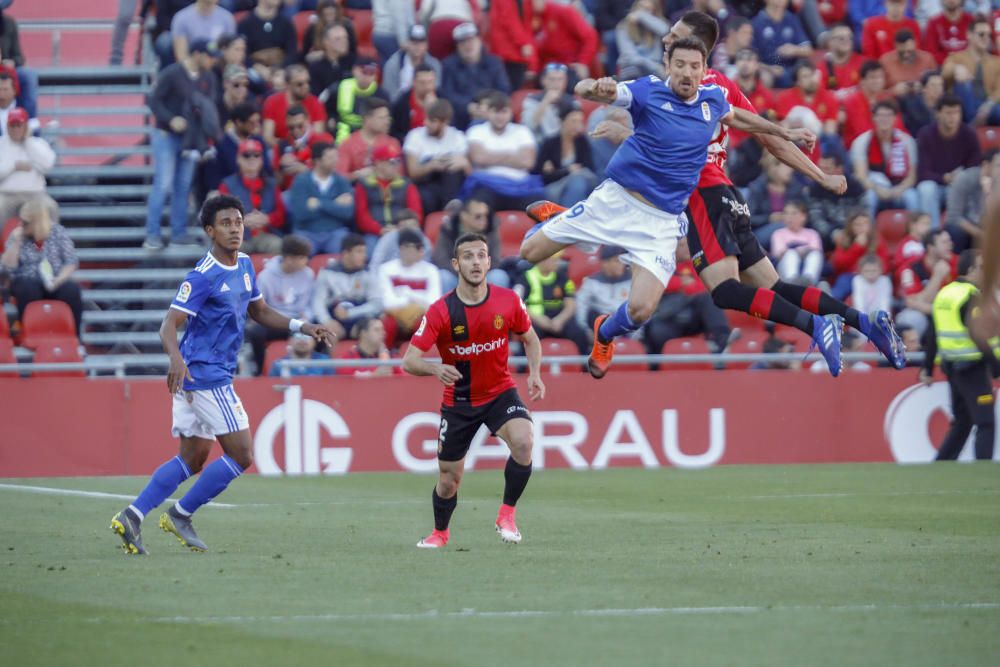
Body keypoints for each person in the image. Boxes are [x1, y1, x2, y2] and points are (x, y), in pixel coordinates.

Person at [526, 11, 906, 378]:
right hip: (723, 193)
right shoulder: (707, 88)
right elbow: (706, 137)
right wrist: (817, 172)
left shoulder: (708, 91)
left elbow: (698, 147)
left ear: (700, 53)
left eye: (675, 36)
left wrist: (815, 169)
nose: (667, 40)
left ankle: (817, 325)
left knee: (724, 290)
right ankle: (863, 322)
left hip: (701, 193)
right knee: (773, 287)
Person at [109, 195, 336, 555]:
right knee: (242, 454)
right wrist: (175, 359)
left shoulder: (245, 264)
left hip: (201, 375)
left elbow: (259, 311)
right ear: (210, 231)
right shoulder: (202, 276)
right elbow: (168, 325)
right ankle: (181, 514)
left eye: (238, 221)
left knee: (193, 458)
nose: (234, 228)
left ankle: (132, 516)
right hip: (203, 375)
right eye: (226, 223)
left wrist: (301, 326)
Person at [402, 232, 545, 549]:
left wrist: (534, 374)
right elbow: (409, 361)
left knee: (524, 441)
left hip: (499, 393)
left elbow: (530, 338)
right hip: (459, 402)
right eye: (468, 256)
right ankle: (440, 533)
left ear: (489, 261)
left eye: (481, 255)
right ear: (456, 264)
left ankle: (506, 514)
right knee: (449, 480)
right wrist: (435, 368)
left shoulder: (507, 300)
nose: (476, 262)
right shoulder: (441, 311)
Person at [920, 250, 998, 461]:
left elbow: (933, 335)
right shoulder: (971, 296)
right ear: (971, 270)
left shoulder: (945, 294)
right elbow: (978, 334)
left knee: (963, 421)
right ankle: (983, 471)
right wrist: (996, 366)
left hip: (952, 367)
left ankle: (941, 466)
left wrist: (927, 369)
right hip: (972, 368)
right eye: (982, 268)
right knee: (985, 422)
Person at [145, 39, 221, 250]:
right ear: (197, 54)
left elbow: (209, 106)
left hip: (191, 137)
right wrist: (170, 119)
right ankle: (152, 234)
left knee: (183, 185)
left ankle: (178, 232)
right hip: (166, 134)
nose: (212, 61)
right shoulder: (172, 73)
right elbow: (154, 100)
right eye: (209, 56)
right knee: (163, 184)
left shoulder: (209, 77)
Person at [0, 196, 82, 336]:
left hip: (54, 280)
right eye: (22, 221)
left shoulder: (58, 232)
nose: (22, 224)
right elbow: (7, 267)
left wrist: (58, 281)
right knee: (27, 287)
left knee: (72, 290)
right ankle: (25, 330)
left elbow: (71, 262)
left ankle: (75, 337)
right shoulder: (18, 235)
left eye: (26, 222)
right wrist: (16, 243)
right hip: (26, 279)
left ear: (37, 222)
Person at [246, 234, 315, 376]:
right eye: (302, 257)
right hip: (275, 321)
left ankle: (318, 371)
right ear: (289, 259)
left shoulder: (308, 274)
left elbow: (310, 303)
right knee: (256, 333)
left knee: (320, 332)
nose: (306, 261)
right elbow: (259, 308)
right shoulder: (266, 276)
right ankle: (260, 371)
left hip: (299, 320)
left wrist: (306, 316)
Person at [915, 95, 982, 230]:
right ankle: (933, 234)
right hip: (937, 186)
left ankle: (964, 235)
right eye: (948, 113)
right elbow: (922, 172)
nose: (953, 117)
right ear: (938, 114)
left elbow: (975, 167)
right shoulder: (926, 134)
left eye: (957, 112)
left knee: (978, 187)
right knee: (926, 188)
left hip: (960, 185)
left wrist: (961, 178)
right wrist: (944, 178)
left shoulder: (969, 134)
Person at [850, 100, 920, 218]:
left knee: (912, 197)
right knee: (868, 197)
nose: (884, 119)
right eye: (881, 116)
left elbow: (912, 176)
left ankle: (916, 233)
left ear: (895, 118)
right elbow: (861, 176)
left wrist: (899, 189)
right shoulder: (862, 142)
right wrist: (878, 190)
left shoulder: (907, 141)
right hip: (874, 187)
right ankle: (868, 233)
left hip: (900, 188)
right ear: (873, 118)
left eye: (888, 115)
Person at [218, 138, 285, 254]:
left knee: (281, 246)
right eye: (246, 155)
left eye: (256, 155)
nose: (252, 159)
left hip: (266, 235)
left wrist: (267, 219)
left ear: (261, 160)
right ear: (238, 159)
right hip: (238, 236)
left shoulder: (272, 185)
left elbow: (281, 215)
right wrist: (241, 221)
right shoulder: (227, 185)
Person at [403, 98, 470, 214]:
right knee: (427, 198)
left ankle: (451, 210)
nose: (426, 123)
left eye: (432, 121)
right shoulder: (414, 136)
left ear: (444, 122)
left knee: (452, 166)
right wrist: (432, 165)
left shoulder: (458, 137)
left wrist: (464, 164)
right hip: (426, 182)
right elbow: (412, 172)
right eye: (426, 119)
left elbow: (469, 174)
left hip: (451, 182)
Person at [515, 252, 591, 355]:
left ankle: (585, 367)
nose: (556, 263)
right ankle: (522, 369)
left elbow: (571, 304)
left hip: (559, 320)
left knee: (580, 334)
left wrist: (560, 319)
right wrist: (540, 320)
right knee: (526, 335)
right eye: (553, 260)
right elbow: (519, 304)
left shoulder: (563, 278)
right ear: (542, 260)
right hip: (536, 321)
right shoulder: (526, 277)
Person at [288, 142, 356, 255]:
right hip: (306, 232)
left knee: (347, 252)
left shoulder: (341, 181)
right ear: (317, 161)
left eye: (336, 157)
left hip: (335, 232)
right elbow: (300, 213)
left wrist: (319, 203)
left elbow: (347, 213)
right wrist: (334, 204)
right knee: (297, 253)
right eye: (330, 158)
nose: (335, 161)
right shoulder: (301, 181)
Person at [312, 233, 383, 340]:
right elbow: (318, 302)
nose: (364, 256)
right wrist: (327, 320)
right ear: (346, 254)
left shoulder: (368, 273)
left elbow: (377, 304)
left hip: (359, 315)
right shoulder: (327, 272)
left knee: (372, 329)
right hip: (334, 315)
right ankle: (330, 356)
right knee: (329, 331)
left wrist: (350, 313)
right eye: (359, 251)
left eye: (364, 251)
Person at [440, 23, 510, 130]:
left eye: (471, 40)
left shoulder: (494, 62)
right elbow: (447, 94)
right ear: (457, 46)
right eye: (463, 42)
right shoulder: (449, 65)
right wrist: (468, 107)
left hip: (492, 112)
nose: (468, 45)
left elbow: (504, 89)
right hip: (462, 117)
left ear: (479, 41)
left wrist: (488, 106)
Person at [353, 143, 424, 246]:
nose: (397, 166)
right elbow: (362, 215)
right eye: (392, 162)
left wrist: (400, 228)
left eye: (398, 161)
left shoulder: (406, 184)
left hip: (403, 231)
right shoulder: (364, 185)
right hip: (375, 234)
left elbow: (415, 212)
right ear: (379, 163)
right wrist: (380, 230)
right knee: (369, 251)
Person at [431, 197, 507, 292]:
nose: (484, 220)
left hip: (483, 276)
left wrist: (477, 274)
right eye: (478, 216)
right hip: (456, 275)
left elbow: (495, 259)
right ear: (464, 216)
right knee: (443, 277)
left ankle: (492, 307)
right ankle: (448, 307)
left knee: (499, 276)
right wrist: (463, 274)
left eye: (486, 215)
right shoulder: (449, 229)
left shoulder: (491, 228)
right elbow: (441, 258)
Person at [378, 228, 441, 341]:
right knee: (387, 324)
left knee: (426, 323)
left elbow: (434, 303)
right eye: (417, 248)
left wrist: (408, 294)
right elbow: (387, 303)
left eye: (422, 248)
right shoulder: (386, 269)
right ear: (403, 248)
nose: (421, 251)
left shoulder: (431, 270)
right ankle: (385, 356)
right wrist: (414, 304)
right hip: (396, 316)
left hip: (420, 316)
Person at [534, 104, 598, 208]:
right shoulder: (550, 143)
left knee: (578, 181)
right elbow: (542, 175)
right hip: (555, 187)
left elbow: (589, 169)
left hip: (581, 183)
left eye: (580, 121)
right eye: (573, 121)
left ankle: (566, 218)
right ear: (562, 121)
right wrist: (567, 170)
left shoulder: (582, 142)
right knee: (577, 182)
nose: (577, 125)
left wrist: (557, 171)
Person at [0, 108, 54, 223]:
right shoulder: (1, 144)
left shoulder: (38, 143)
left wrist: (28, 142)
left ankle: (52, 241)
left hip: (35, 195)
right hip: (6, 195)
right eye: (12, 125)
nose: (15, 129)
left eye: (19, 125)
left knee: (51, 208)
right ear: (7, 127)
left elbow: (48, 166)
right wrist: (14, 167)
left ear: (26, 126)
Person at [945, 149, 1000, 253]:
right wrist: (980, 234)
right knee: (955, 231)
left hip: (985, 228)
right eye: (998, 166)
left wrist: (988, 193)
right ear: (986, 165)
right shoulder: (964, 179)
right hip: (965, 229)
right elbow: (954, 216)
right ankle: (957, 263)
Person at [262, 64, 327, 146]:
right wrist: (287, 148)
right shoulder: (272, 102)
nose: (306, 86)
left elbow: (318, 135)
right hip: (281, 150)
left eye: (308, 82)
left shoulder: (316, 103)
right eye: (300, 84)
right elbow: (268, 137)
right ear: (288, 85)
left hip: (308, 151)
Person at [381, 24, 442, 104]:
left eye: (421, 42)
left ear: (426, 45)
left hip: (427, 105)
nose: (417, 46)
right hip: (401, 107)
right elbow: (389, 94)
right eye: (414, 42)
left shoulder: (434, 65)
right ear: (407, 43)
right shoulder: (393, 64)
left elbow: (436, 90)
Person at [333, 57, 387, 143]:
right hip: (341, 133)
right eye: (364, 72)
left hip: (371, 136)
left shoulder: (381, 94)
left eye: (372, 73)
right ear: (354, 70)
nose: (367, 77)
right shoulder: (339, 88)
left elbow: (386, 122)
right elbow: (325, 108)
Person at [769, 200, 823, 286]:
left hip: (806, 266)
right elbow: (779, 254)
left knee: (815, 255)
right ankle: (792, 282)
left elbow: (816, 250)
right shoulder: (778, 233)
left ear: (803, 216)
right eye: (786, 213)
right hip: (785, 270)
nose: (789, 217)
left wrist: (798, 249)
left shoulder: (812, 233)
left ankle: (808, 280)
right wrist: (799, 250)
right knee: (790, 254)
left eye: (794, 213)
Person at [521, 62, 575, 142]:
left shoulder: (572, 102)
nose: (556, 83)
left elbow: (576, 129)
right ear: (543, 81)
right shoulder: (532, 100)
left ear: (565, 82)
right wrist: (545, 102)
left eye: (560, 79)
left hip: (563, 143)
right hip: (539, 142)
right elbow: (530, 126)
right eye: (552, 79)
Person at [237, 0, 297, 70]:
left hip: (281, 69)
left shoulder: (286, 23)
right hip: (253, 69)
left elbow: (292, 52)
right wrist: (256, 67)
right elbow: (243, 53)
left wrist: (278, 68)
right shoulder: (245, 24)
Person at [615, 0, 668, 80]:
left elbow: (664, 30)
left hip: (653, 71)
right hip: (631, 69)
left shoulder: (655, 27)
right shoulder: (624, 26)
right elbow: (630, 57)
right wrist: (655, 67)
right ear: (635, 8)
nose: (644, 12)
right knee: (635, 71)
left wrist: (641, 16)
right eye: (641, 8)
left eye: (648, 9)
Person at [337, 316, 403, 376]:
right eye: (377, 330)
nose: (383, 333)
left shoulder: (391, 356)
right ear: (363, 333)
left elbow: (405, 378)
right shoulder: (349, 358)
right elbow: (348, 382)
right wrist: (375, 375)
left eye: (383, 329)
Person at [389, 63, 438, 142]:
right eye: (422, 82)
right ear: (414, 82)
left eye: (430, 82)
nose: (427, 87)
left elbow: (448, 128)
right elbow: (394, 132)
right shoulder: (402, 103)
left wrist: (436, 108)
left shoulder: (442, 99)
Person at [307, 24, 355, 100]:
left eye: (345, 38)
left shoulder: (354, 62)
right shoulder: (315, 68)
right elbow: (316, 97)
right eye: (338, 39)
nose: (344, 42)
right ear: (326, 42)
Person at [269, 332, 334, 377]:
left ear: (314, 342)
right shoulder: (279, 365)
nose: (302, 340)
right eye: (298, 336)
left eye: (307, 337)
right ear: (290, 341)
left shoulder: (325, 362)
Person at [851, 253, 893, 317]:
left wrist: (882, 317)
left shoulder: (884, 281)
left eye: (874, 271)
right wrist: (863, 318)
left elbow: (885, 302)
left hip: (879, 315)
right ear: (860, 271)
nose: (870, 274)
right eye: (867, 271)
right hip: (862, 315)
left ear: (881, 270)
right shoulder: (857, 280)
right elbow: (858, 301)